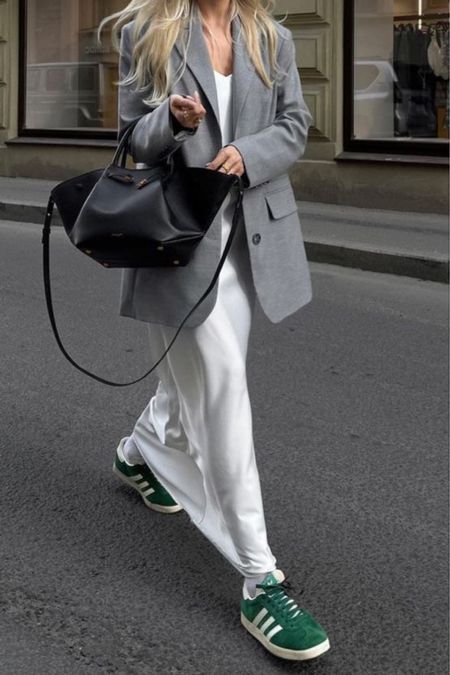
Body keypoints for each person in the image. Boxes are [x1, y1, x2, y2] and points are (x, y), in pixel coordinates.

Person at [100, 0, 330, 661]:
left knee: (188, 384)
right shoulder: (152, 32)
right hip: (179, 244)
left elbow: (295, 127)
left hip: (251, 246)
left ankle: (139, 450)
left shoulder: (271, 38)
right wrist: (169, 123)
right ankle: (260, 578)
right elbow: (128, 140)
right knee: (223, 391)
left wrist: (245, 151)